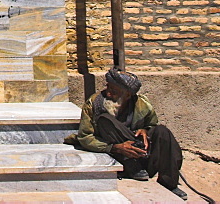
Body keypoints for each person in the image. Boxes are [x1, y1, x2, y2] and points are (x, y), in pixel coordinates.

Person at [68, 68, 187, 200]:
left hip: (142, 156)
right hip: (117, 156)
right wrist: (115, 147)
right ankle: (132, 167)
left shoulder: (141, 104)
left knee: (163, 131)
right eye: (108, 87)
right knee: (105, 120)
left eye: (114, 92)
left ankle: (169, 184)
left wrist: (145, 131)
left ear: (128, 95)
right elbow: (85, 137)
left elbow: (152, 124)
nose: (108, 93)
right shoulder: (93, 104)